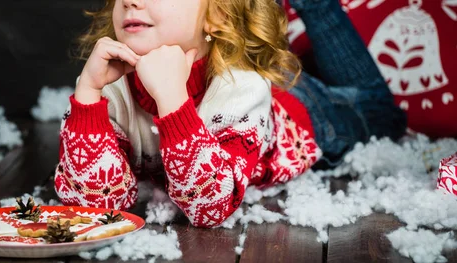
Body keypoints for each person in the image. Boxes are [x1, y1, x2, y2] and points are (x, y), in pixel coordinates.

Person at [54, 0, 406, 227]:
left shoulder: (243, 89)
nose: (131, 2)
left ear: (217, 14)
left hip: (305, 114)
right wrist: (86, 96)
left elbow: (211, 206)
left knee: (376, 109)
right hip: (237, 70)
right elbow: (95, 205)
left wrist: (173, 100)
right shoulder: (108, 87)